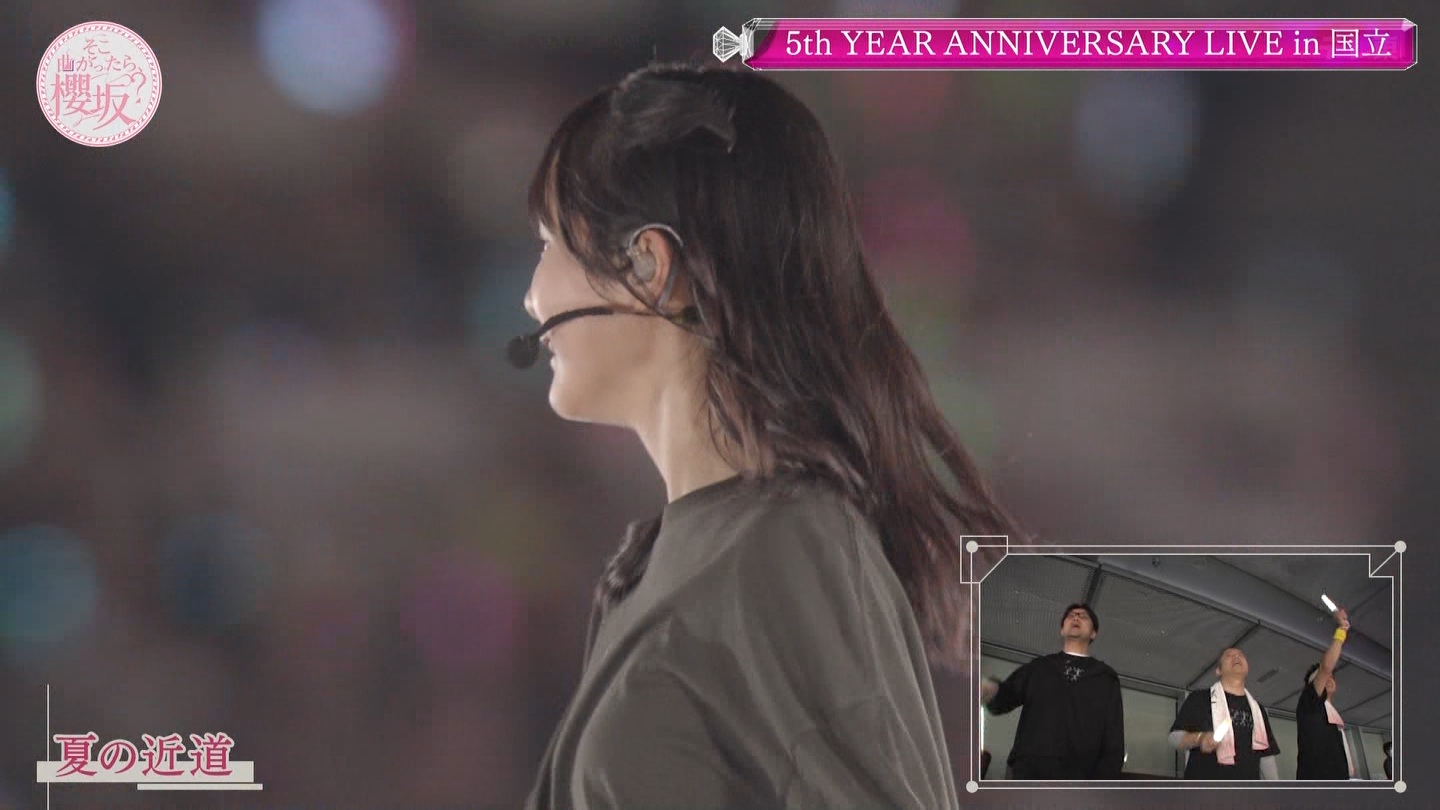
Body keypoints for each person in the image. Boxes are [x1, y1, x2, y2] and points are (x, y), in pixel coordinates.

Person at [516, 62, 1024, 810]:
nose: (532, 297)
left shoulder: (786, 552)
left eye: (550, 243)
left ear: (651, 266)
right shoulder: (687, 554)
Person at [980, 604, 1125, 779]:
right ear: (1062, 630)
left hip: (1080, 776)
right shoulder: (1039, 667)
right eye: (1071, 615)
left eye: (1083, 616)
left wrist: (1103, 782)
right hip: (1028, 771)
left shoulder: (1105, 677)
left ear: (1093, 633)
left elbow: (1114, 735)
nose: (1076, 617)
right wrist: (990, 690)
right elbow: (1004, 699)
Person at [1170, 647, 1281, 780]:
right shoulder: (1200, 698)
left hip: (1246, 791)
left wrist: (1276, 788)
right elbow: (1174, 738)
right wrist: (1199, 738)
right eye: (1229, 655)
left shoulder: (1259, 710)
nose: (1236, 657)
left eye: (1240, 655)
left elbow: (1266, 755)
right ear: (1219, 670)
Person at [1296, 607, 1357, 779]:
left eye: (1331, 676)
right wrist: (1341, 629)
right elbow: (1325, 667)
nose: (1328, 678)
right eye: (1322, 677)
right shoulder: (1309, 703)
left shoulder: (1333, 714)